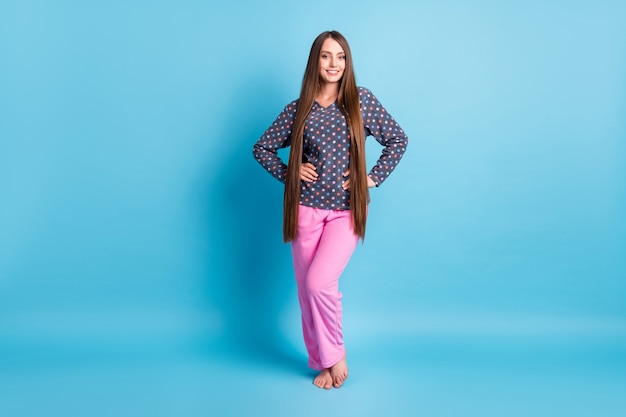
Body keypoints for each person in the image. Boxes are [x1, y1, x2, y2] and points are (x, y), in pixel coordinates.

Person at [252, 30, 408, 389]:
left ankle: (336, 354)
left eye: (340, 57)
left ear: (347, 62)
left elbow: (397, 139)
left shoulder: (360, 101)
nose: (334, 63)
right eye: (326, 56)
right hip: (305, 209)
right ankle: (321, 361)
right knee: (307, 291)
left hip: (346, 211)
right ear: (315, 62)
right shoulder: (298, 109)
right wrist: (290, 170)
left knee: (320, 282)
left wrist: (371, 178)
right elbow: (262, 148)